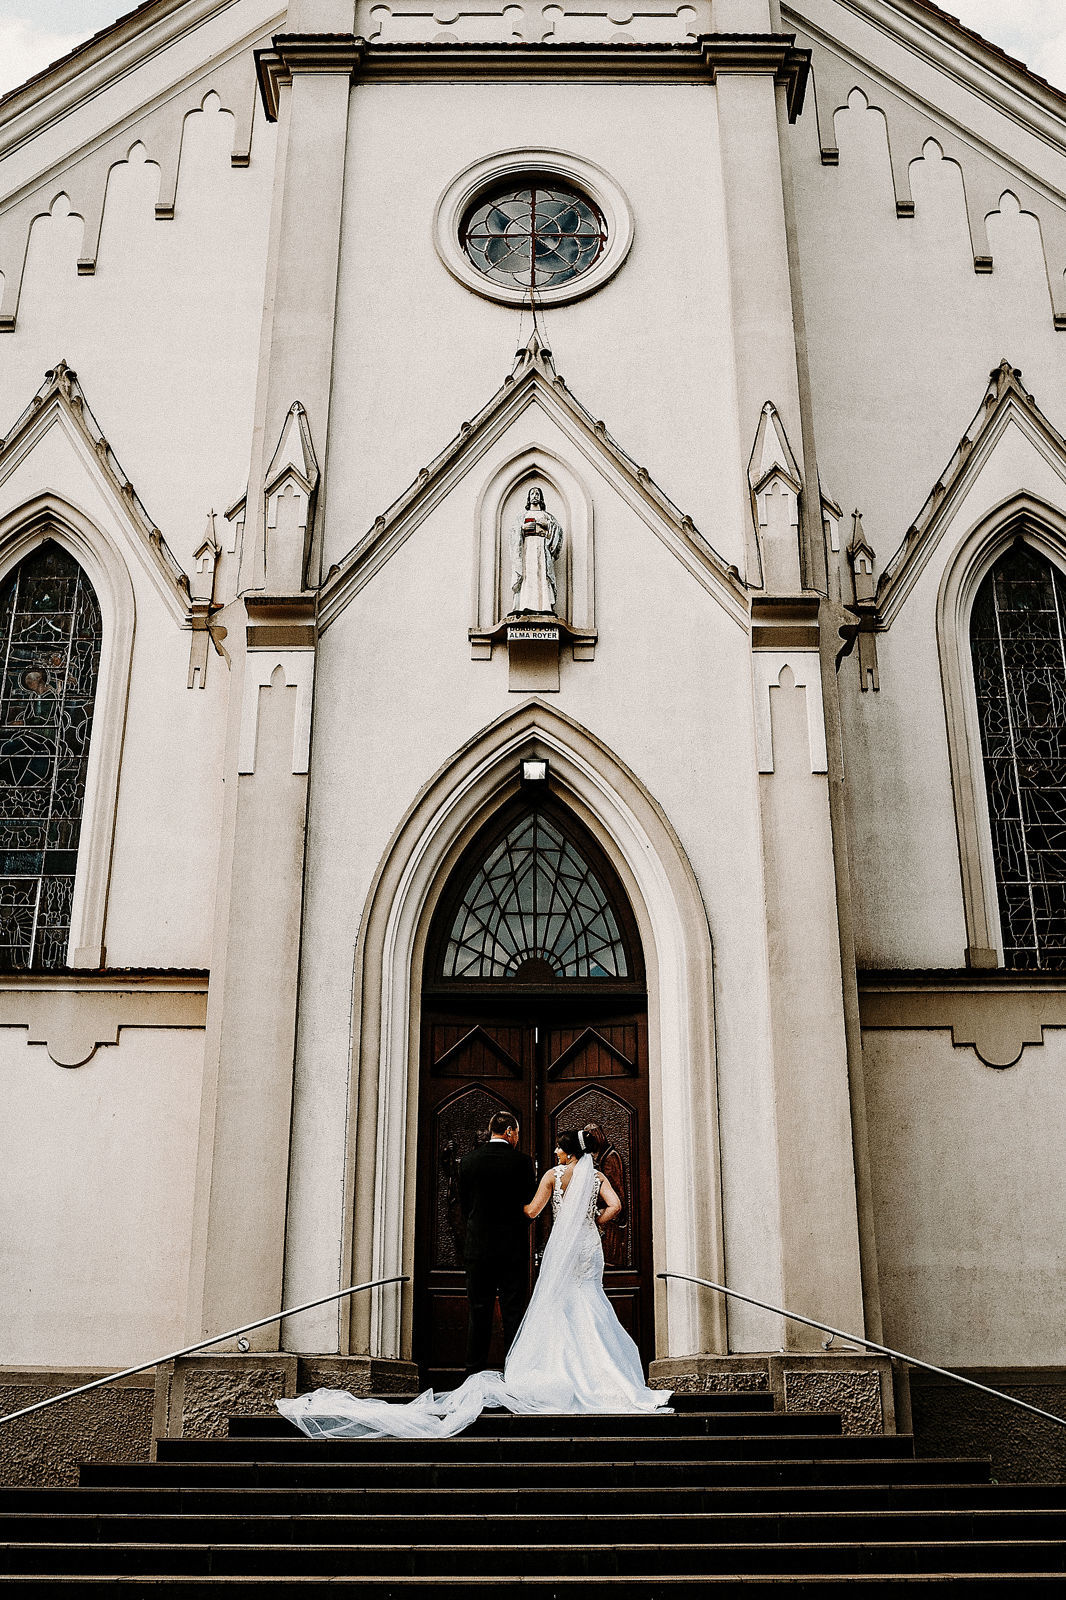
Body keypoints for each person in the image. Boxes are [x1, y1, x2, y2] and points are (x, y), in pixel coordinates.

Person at [276, 1123, 671, 1439]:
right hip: (588, 1248)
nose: (554, 1152)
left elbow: (531, 1212)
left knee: (552, 1306)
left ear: (567, 1151)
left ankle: (517, 1372)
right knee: (590, 1302)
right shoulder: (595, 1175)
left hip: (526, 1250)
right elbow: (616, 1207)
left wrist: (505, 1210)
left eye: (558, 1148)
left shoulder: (550, 1175)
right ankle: (607, 1377)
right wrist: (592, 1225)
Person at [458, 1110, 536, 1375]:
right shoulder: (523, 1163)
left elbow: (465, 1206)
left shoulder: (468, 1162)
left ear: (492, 1130)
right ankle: (514, 1374)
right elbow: (528, 1204)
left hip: (478, 1249)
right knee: (513, 1312)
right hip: (512, 1249)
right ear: (510, 1132)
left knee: (478, 1312)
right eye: (517, 1134)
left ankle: (473, 1375)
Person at [510, 485, 563, 614]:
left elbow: (558, 532)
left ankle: (544, 606)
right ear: (528, 498)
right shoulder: (523, 516)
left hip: (542, 549)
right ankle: (525, 605)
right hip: (528, 548)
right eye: (532, 493)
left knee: (541, 574)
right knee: (529, 574)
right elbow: (513, 533)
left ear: (541, 498)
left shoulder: (547, 516)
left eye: (537, 494)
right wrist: (523, 528)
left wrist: (548, 525)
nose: (535, 496)